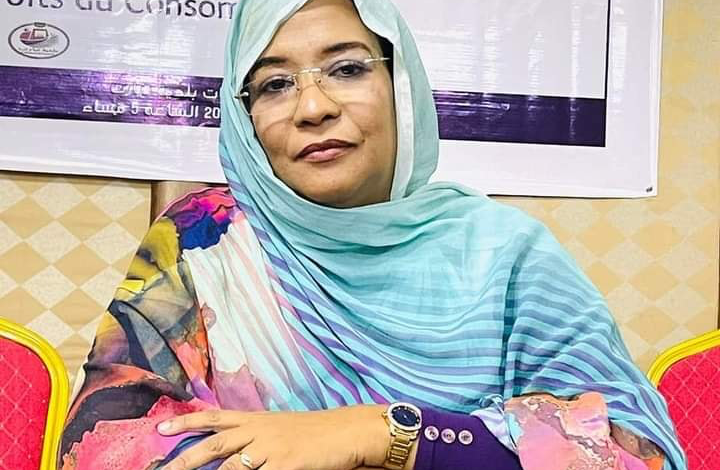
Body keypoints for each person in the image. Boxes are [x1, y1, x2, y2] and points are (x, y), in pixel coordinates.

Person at [59, 0, 685, 469]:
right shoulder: (206, 242)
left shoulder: (506, 254)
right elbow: (106, 442)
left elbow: (626, 454)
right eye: (275, 84)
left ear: (400, 87)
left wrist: (384, 434)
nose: (313, 107)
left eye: (347, 69)